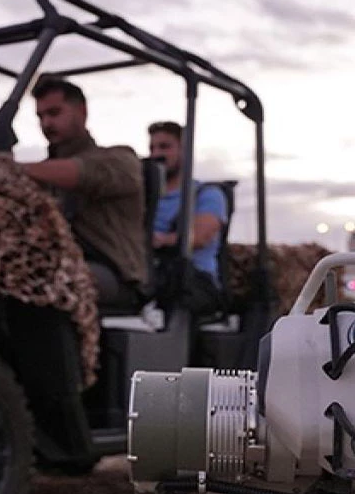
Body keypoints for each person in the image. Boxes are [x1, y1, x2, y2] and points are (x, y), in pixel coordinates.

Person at [17, 76, 147, 312]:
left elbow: (84, 173)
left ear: (82, 111)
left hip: (115, 272)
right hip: (60, 262)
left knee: (46, 281)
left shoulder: (120, 159)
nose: (47, 123)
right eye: (41, 117)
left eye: (55, 113)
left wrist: (12, 169)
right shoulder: (43, 173)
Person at [147, 120, 229, 316]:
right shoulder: (145, 198)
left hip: (195, 281)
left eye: (165, 147)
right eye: (152, 148)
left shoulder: (207, 194)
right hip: (151, 275)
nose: (156, 154)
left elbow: (199, 237)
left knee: (175, 288)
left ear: (185, 151)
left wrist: (157, 240)